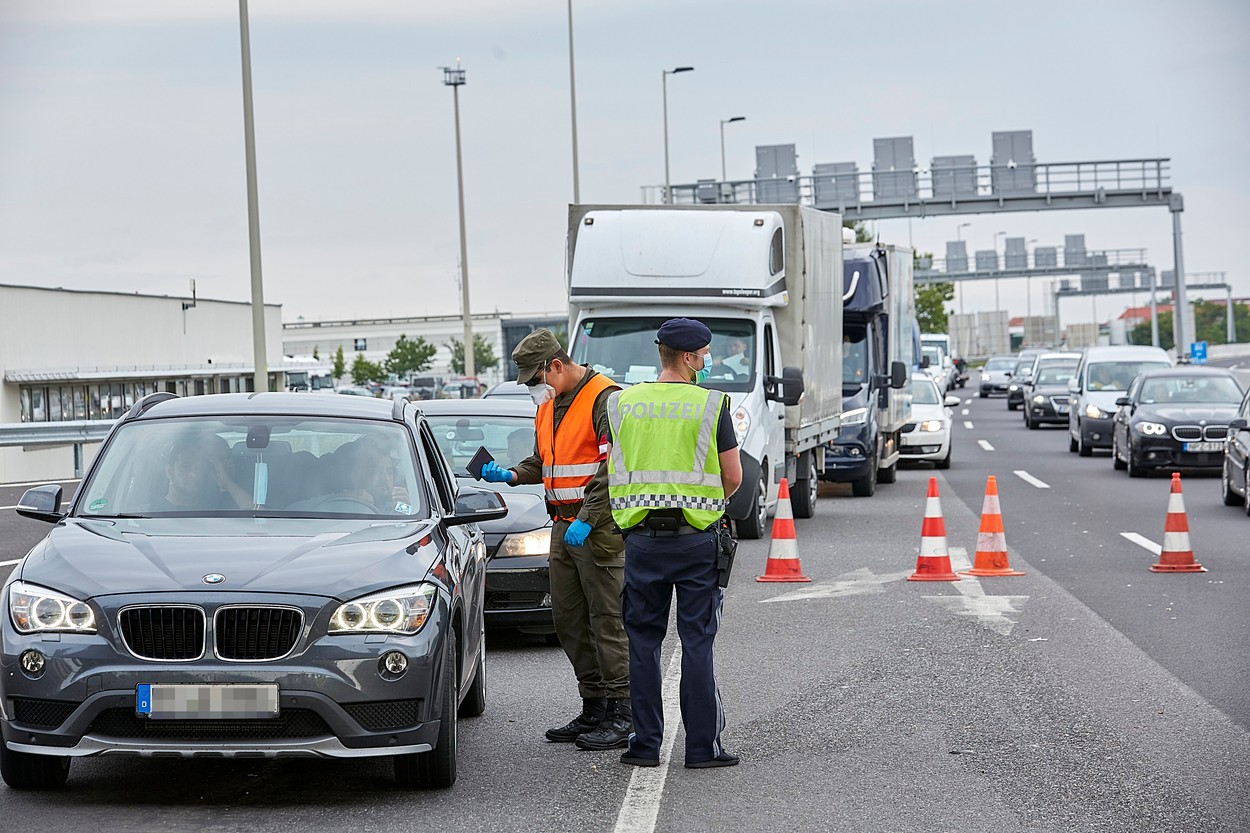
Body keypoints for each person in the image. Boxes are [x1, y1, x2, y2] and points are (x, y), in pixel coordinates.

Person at [480, 328, 632, 750]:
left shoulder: (604, 397)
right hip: (563, 526)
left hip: (596, 526)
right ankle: (595, 706)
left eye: (536, 378)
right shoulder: (549, 406)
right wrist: (512, 474)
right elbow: (543, 461)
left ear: (557, 365)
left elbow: (614, 467)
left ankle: (624, 711)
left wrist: (588, 518)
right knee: (568, 620)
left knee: (607, 620)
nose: (534, 387)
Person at [606, 317, 743, 769]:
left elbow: (615, 467)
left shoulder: (622, 404)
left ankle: (645, 746)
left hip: (641, 541)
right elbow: (732, 476)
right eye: (704, 355)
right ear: (687, 358)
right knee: (697, 643)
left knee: (643, 644)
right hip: (696, 540)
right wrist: (706, 505)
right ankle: (702, 748)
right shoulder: (711, 405)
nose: (708, 361)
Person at [155, 433, 250, 511]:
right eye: (185, 467)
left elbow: (255, 515)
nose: (193, 474)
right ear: (169, 471)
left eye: (199, 468)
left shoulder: (216, 506)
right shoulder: (152, 512)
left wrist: (228, 484)